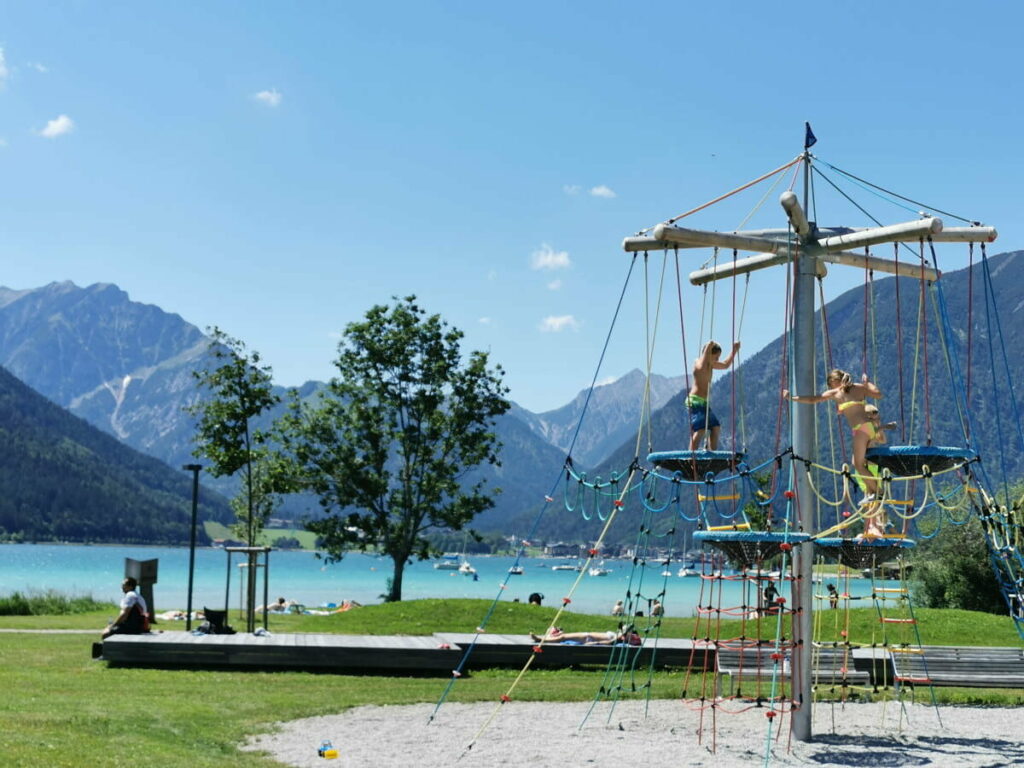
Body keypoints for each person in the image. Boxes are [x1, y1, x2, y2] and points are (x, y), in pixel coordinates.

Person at [783, 368, 883, 504]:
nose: (829, 386)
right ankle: (872, 492)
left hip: (860, 429)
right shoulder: (858, 387)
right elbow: (878, 394)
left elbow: (813, 399)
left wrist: (792, 398)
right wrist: (867, 383)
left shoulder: (836, 392)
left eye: (830, 383)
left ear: (834, 381)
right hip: (867, 428)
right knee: (858, 463)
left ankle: (878, 492)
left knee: (859, 465)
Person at [687, 340, 741, 450]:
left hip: (703, 403)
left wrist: (734, 350)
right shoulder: (699, 364)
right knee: (700, 429)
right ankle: (691, 456)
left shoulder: (710, 364)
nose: (717, 360)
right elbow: (703, 362)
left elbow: (726, 365)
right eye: (716, 357)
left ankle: (712, 452)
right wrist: (709, 345)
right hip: (695, 401)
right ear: (708, 354)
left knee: (715, 427)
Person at [530, 625, 640, 646]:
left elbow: (609, 643)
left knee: (563, 638)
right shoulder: (620, 636)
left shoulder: (619, 638)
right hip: (587, 635)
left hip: (588, 637)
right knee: (563, 637)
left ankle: (540, 639)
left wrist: (595, 643)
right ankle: (545, 638)